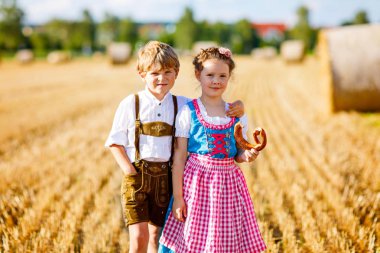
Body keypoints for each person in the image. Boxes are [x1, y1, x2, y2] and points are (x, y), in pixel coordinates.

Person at [105, 41, 245, 253]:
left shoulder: (182, 105)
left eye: (168, 72)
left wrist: (239, 107)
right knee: (138, 236)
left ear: (176, 73)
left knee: (156, 235)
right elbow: (114, 142)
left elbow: (210, 104)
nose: (162, 78)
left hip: (166, 178)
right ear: (141, 73)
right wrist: (129, 171)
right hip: (137, 178)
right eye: (155, 73)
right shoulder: (130, 103)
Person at [159, 47, 267, 253]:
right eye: (210, 75)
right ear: (198, 75)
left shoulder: (236, 113)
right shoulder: (188, 111)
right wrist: (179, 198)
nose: (216, 81)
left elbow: (239, 153)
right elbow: (179, 158)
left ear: (229, 77)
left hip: (228, 185)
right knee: (192, 239)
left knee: (226, 239)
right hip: (196, 186)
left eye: (222, 76)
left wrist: (248, 155)